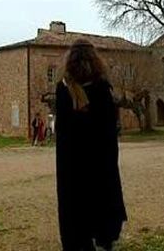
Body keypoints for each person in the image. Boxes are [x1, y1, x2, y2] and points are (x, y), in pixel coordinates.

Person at [55, 39, 127, 251]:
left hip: (72, 161)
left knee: (74, 204)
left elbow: (62, 129)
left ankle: (79, 239)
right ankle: (104, 235)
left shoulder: (63, 89)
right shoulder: (102, 88)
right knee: (103, 196)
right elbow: (109, 127)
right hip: (100, 158)